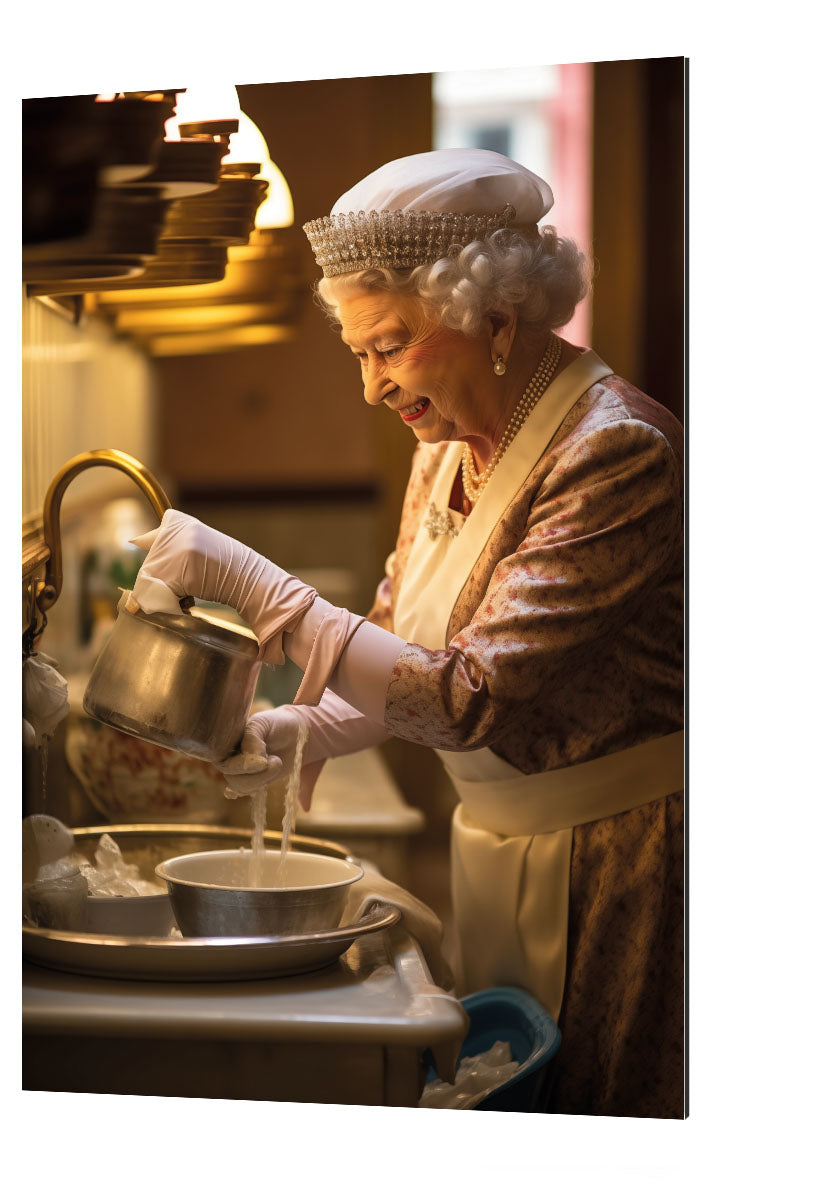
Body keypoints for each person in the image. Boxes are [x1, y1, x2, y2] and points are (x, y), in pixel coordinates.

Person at [130, 149, 684, 1118]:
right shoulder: (451, 444)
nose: (371, 386)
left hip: (622, 861)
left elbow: (465, 697)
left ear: (495, 320)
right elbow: (397, 641)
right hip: (498, 839)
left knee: (596, 1110)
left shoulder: (615, 451)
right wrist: (317, 727)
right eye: (357, 352)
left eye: (388, 345)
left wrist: (268, 591)